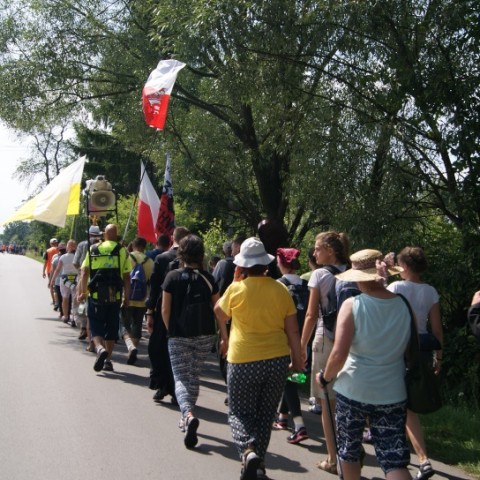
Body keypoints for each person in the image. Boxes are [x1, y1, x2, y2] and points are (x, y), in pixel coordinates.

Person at [214, 237, 303, 480]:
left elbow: (219, 312)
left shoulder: (236, 289)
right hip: (276, 360)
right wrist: (297, 361)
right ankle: (258, 465)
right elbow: (293, 331)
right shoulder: (281, 290)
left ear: (241, 265)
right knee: (265, 416)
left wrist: (234, 282)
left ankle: (248, 450)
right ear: (265, 263)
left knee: (238, 413)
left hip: (243, 360)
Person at [318, 249, 410, 480]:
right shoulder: (403, 304)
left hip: (354, 389)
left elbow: (339, 354)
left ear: (359, 278)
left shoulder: (353, 304)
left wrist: (325, 377)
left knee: (348, 451)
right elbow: (408, 348)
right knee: (393, 458)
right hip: (392, 391)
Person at [387, 247, 443, 480]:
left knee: (400, 403)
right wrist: (439, 357)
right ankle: (414, 455)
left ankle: (418, 458)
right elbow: (436, 329)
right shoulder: (431, 291)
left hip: (398, 347)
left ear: (405, 266)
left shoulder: (396, 288)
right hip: (421, 350)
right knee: (407, 404)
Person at [161, 234, 219, 449]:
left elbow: (165, 309)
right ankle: (187, 416)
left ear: (181, 253)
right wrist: (222, 336)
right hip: (205, 333)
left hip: (179, 333)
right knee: (193, 375)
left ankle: (187, 413)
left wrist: (170, 330)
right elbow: (218, 309)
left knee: (180, 378)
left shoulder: (172, 277)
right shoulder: (209, 278)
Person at [300, 231, 350, 475]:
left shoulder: (319, 274)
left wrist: (301, 346)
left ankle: (332, 458)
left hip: (326, 340)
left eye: (318, 248)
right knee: (346, 400)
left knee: (327, 402)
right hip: (350, 342)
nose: (314, 252)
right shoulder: (352, 272)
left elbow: (311, 315)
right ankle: (350, 452)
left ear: (330, 250)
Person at [77, 224, 131, 373]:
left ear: (104, 235)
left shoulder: (93, 249)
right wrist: (127, 297)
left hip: (95, 296)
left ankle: (100, 348)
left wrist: (82, 292)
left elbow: (84, 272)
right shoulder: (122, 250)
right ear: (116, 234)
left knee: (95, 325)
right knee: (111, 328)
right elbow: (127, 277)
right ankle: (108, 361)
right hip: (115, 297)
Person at [145, 226, 190, 403]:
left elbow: (154, 288)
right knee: (181, 353)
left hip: (164, 310)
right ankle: (176, 388)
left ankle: (163, 384)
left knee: (159, 349)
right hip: (186, 312)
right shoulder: (195, 260)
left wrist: (150, 312)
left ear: (173, 238)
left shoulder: (162, 258)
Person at [273, 247, 310, 444]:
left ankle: (299, 425)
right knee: (293, 379)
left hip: (284, 340)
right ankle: (283, 418)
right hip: (305, 340)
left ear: (281, 263)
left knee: (288, 381)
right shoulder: (307, 285)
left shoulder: (278, 285)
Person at [121, 237, 154, 365]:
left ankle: (130, 347)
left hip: (126, 298)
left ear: (133, 245)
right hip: (142, 299)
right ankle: (132, 350)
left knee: (124, 325)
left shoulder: (127, 258)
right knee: (137, 325)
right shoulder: (150, 262)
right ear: (144, 247)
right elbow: (151, 282)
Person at [74, 225, 103, 342]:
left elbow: (75, 262)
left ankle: (83, 327)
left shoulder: (82, 245)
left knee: (80, 302)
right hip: (99, 278)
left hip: (84, 277)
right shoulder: (102, 245)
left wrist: (80, 271)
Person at [49, 239, 78, 326]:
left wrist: (52, 280)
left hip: (65, 279)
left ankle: (66, 316)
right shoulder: (78, 257)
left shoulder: (63, 257)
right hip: (75, 279)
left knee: (65, 298)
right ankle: (74, 318)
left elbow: (57, 270)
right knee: (75, 299)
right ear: (75, 247)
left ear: (67, 247)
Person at [43, 238, 59, 309]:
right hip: (60, 270)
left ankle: (54, 300)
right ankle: (59, 300)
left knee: (52, 285)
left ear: (50, 244)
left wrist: (43, 271)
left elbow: (45, 262)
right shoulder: (60, 249)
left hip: (50, 271)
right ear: (57, 243)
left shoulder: (47, 251)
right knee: (58, 285)